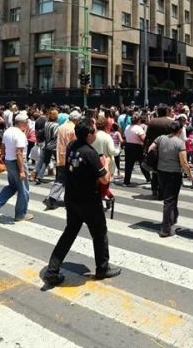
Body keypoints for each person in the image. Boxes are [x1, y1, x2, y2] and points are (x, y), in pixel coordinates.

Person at [43, 118, 121, 285]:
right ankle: (102, 268)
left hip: (72, 199)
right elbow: (105, 179)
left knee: (69, 233)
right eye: (94, 131)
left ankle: (52, 270)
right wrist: (106, 163)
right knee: (99, 234)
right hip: (89, 201)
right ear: (89, 135)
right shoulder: (89, 153)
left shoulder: (71, 146)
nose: (96, 133)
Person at [150, 120, 192, 237]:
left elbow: (151, 149)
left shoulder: (160, 138)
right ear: (180, 130)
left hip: (161, 172)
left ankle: (173, 217)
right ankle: (165, 229)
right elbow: (184, 162)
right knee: (169, 200)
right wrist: (189, 174)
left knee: (170, 198)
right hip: (174, 173)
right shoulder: (180, 143)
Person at [0, 113, 33, 222]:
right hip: (18, 162)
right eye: (26, 122)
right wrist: (21, 170)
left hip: (9, 161)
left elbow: (3, 147)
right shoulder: (19, 134)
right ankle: (20, 214)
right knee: (23, 190)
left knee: (12, 187)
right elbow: (19, 153)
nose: (28, 125)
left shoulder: (8, 131)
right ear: (22, 123)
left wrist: (4, 159)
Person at [122, 113, 146, 187]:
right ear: (138, 120)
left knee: (128, 165)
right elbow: (143, 139)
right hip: (137, 147)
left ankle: (126, 181)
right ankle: (148, 178)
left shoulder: (127, 127)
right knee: (142, 163)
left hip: (128, 146)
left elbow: (125, 137)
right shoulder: (138, 128)